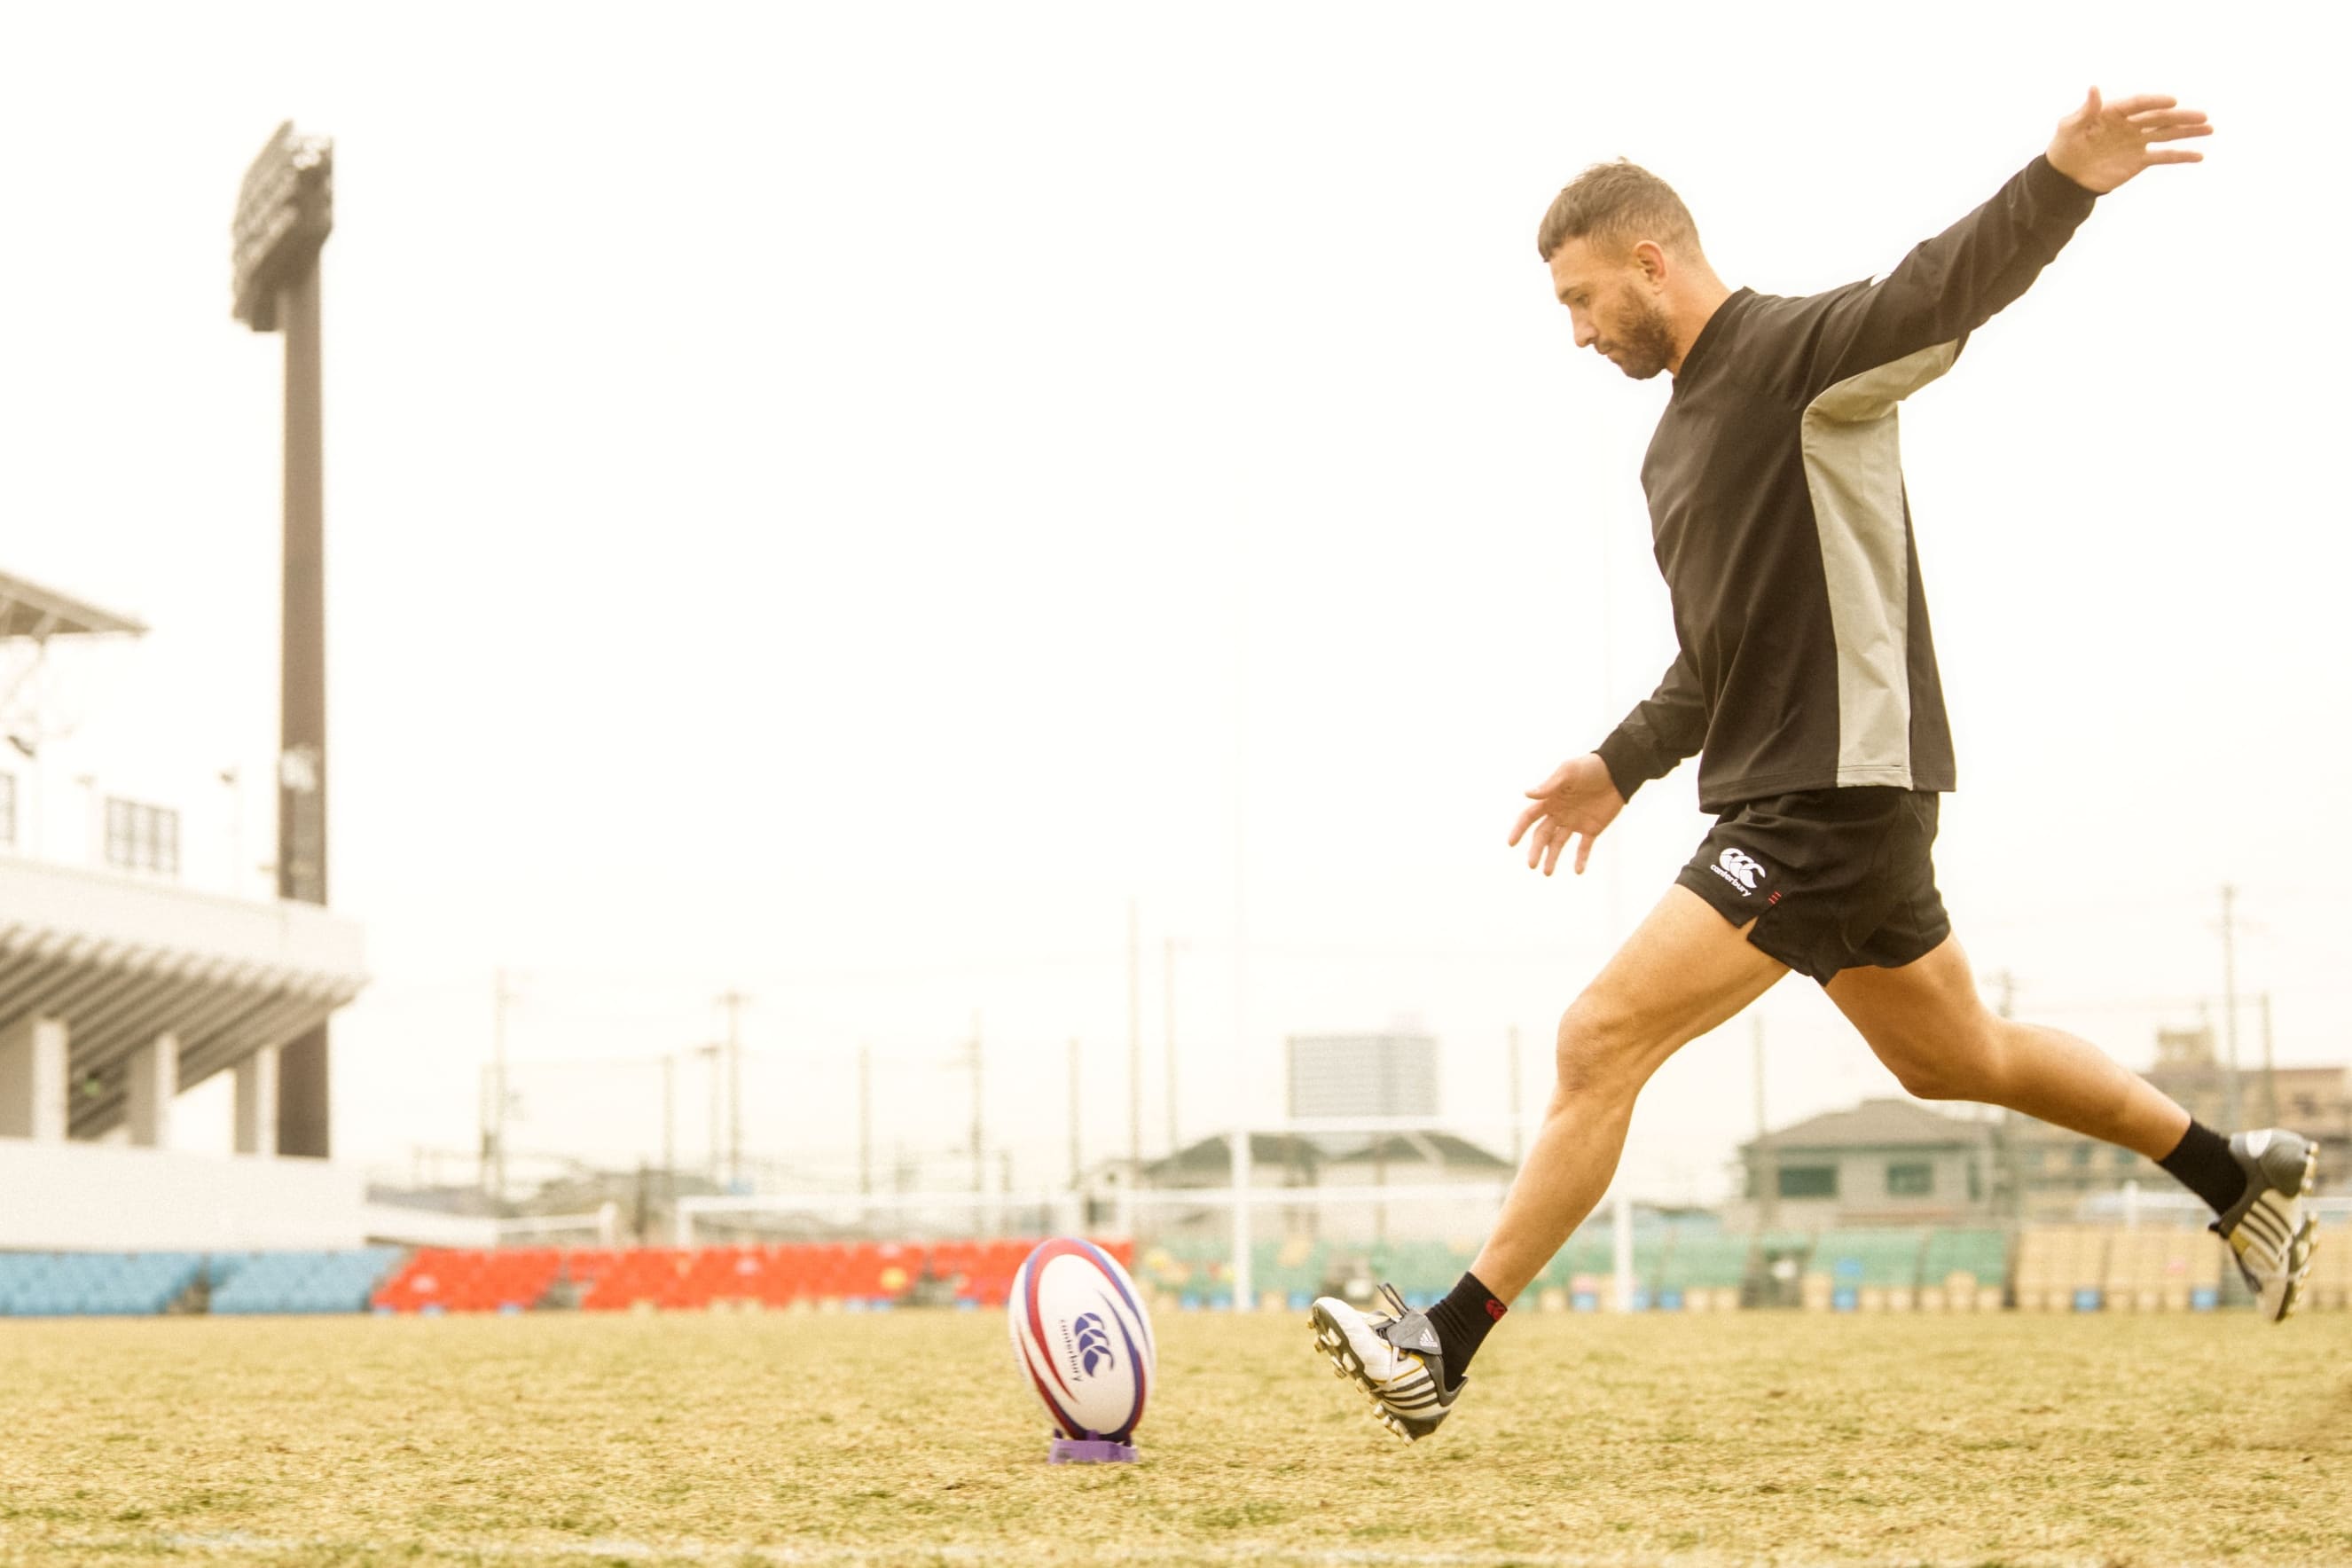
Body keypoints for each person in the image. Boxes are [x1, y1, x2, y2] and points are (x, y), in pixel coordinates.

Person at [1310, 89, 2318, 1444]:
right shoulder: (1671, 449)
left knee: (1599, 1037)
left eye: (1582, 298)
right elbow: (1714, 662)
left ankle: (1443, 1341)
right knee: (1956, 1057)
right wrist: (1618, 764)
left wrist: (2063, 179)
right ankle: (2236, 1171)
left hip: (1830, 796)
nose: (1577, 331)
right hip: (1809, 798)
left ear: (1651, 260)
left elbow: (1935, 290)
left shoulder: (1794, 358)